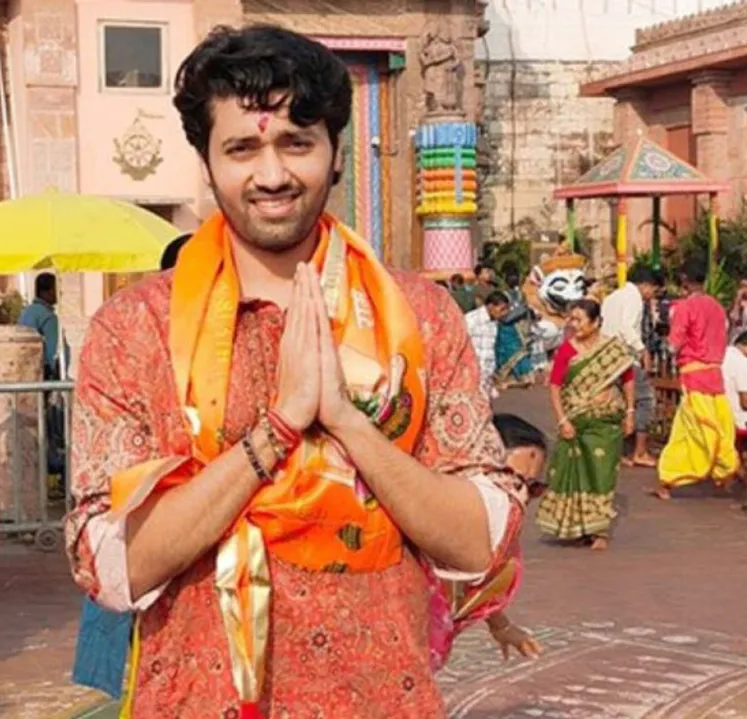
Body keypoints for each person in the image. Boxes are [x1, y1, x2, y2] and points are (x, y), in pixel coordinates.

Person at [63, 25, 525, 717]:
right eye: (243, 147)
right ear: (207, 160)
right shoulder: (135, 330)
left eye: (296, 143)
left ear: (338, 154)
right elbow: (113, 566)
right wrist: (273, 431)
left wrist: (346, 420)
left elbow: (479, 542)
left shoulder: (420, 318)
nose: (272, 173)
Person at [444, 414, 547, 662]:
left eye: (532, 487)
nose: (521, 495)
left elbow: (468, 579)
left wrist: (500, 625)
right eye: (511, 480)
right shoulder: (432, 513)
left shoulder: (493, 527)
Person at [537, 299, 635, 550]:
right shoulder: (567, 351)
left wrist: (630, 412)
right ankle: (581, 526)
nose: (574, 325)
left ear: (596, 322)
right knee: (579, 473)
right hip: (576, 422)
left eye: (579, 320)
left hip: (606, 422)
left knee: (602, 474)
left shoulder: (613, 350)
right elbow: (556, 387)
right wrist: (562, 419)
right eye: (572, 319)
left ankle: (600, 530)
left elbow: (627, 380)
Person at [653, 260, 738, 499]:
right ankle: (725, 470)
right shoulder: (718, 307)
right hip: (715, 373)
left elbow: (673, 343)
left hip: (694, 374)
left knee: (693, 429)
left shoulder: (685, 308)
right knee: (719, 425)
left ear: (684, 281)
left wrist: (663, 346)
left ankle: (673, 478)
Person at [601, 266, 664, 467]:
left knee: (616, 403)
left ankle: (616, 451)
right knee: (645, 400)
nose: (651, 296)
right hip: (625, 357)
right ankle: (640, 451)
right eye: (654, 291)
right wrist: (642, 349)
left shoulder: (612, 297)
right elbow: (626, 327)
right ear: (646, 285)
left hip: (607, 356)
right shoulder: (634, 298)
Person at [723, 330, 747, 505]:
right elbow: (746, 401)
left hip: (722, 410)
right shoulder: (744, 363)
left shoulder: (722, 355)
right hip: (740, 415)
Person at [19, 273, 69, 379]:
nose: (60, 293)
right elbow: (54, 352)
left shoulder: (26, 312)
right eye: (56, 288)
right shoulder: (47, 317)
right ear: (47, 292)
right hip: (45, 377)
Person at [465, 290, 511, 399]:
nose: (504, 313)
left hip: (486, 376)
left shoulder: (494, 323)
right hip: (472, 375)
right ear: (490, 306)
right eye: (502, 309)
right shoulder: (471, 320)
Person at [495, 271, 534, 389]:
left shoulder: (520, 294)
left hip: (515, 327)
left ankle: (523, 377)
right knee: (509, 352)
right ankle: (512, 378)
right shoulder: (506, 295)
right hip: (508, 327)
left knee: (518, 352)